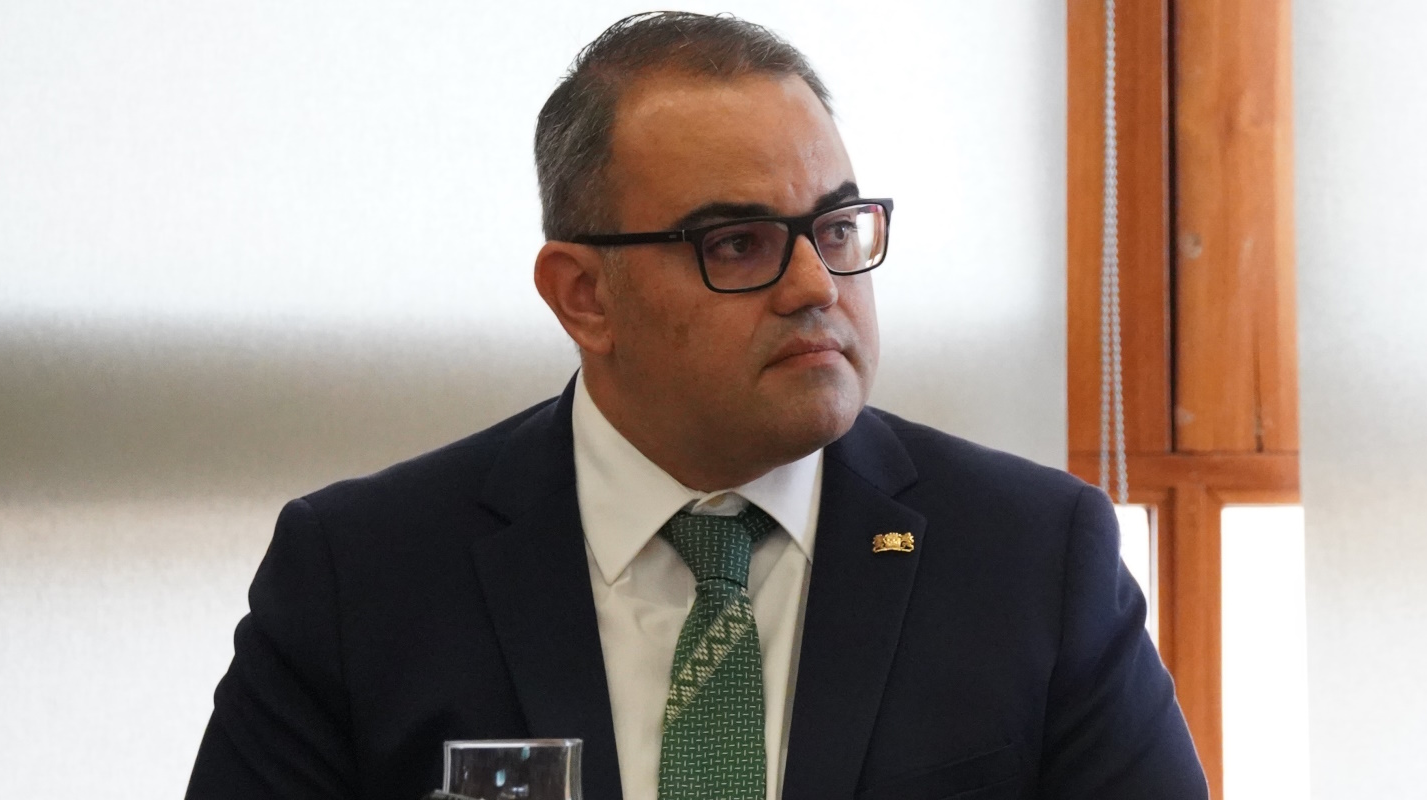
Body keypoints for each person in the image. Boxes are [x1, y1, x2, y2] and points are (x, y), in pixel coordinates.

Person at [185, 11, 1207, 800]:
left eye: (836, 228)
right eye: (739, 244)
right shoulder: (362, 575)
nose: (815, 285)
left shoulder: (1032, 557)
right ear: (583, 296)